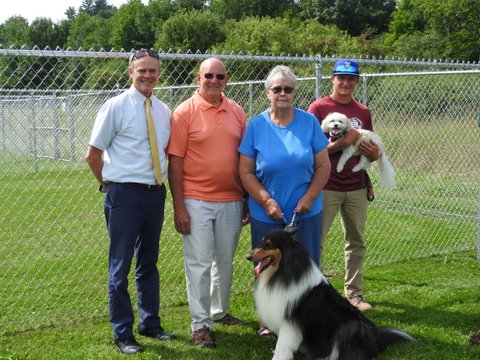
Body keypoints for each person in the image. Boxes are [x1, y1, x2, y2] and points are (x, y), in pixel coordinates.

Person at [86, 49, 175, 355]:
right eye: (142, 70)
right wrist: (108, 185)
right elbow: (93, 154)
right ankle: (122, 331)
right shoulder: (115, 107)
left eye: (153, 70)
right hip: (124, 194)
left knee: (148, 262)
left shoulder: (164, 110)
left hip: (155, 193)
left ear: (159, 73)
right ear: (131, 72)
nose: (148, 75)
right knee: (120, 265)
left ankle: (150, 323)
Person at [238, 65, 331, 335]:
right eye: (276, 89)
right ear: (267, 92)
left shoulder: (309, 122)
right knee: (267, 268)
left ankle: (306, 320)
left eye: (288, 89)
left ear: (294, 93)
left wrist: (310, 196)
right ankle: (269, 321)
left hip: (306, 212)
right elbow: (245, 171)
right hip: (266, 214)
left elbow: (323, 166)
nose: (282, 93)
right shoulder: (256, 125)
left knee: (307, 267)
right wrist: (266, 200)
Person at [167, 57, 248, 349]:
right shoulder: (183, 112)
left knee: (224, 262)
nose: (214, 80)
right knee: (199, 264)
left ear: (227, 79)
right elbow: (174, 162)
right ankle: (200, 326)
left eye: (220, 76)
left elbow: (244, 159)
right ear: (198, 78)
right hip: (195, 199)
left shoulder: (236, 111)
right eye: (209, 75)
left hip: (231, 199)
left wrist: (246, 198)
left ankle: (219, 311)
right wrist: (179, 207)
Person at [307, 58, 380, 312]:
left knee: (356, 241)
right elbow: (311, 153)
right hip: (325, 186)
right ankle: (314, 293)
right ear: (332, 79)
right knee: (316, 241)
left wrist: (374, 154)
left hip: (356, 186)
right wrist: (342, 143)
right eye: (341, 77)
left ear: (357, 81)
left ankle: (354, 295)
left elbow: (370, 149)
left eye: (351, 78)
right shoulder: (317, 108)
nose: (346, 82)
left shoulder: (363, 111)